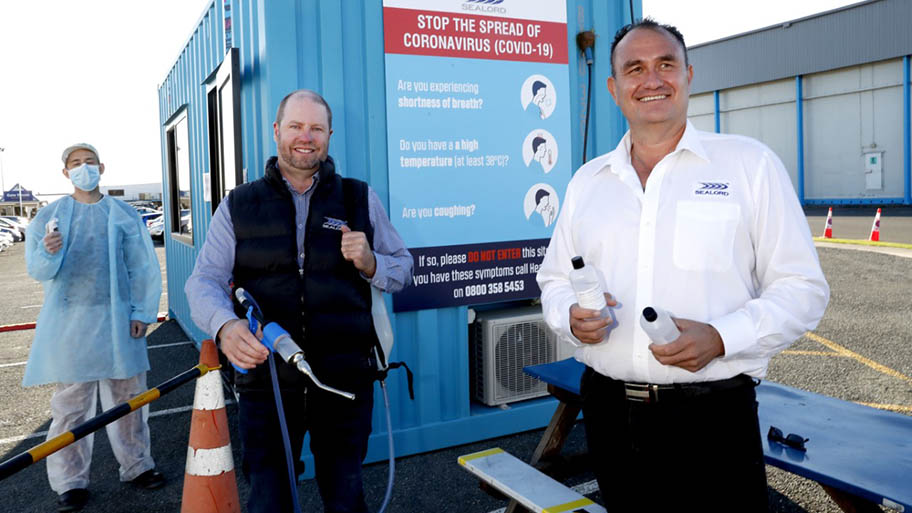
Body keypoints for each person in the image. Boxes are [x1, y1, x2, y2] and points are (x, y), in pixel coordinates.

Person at [536, 19, 829, 512]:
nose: (651, 80)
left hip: (712, 415)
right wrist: (568, 315)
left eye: (665, 64)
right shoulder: (589, 182)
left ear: (689, 74)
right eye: (634, 69)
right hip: (608, 412)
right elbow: (554, 279)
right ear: (613, 88)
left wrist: (721, 336)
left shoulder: (748, 166)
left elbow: (802, 288)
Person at [185, 89, 413, 513]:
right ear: (277, 131)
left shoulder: (359, 198)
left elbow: (402, 268)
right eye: (295, 126)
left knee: (345, 496)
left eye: (316, 128)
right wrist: (225, 325)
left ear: (329, 135)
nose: (305, 137)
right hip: (267, 379)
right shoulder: (239, 204)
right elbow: (203, 282)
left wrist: (370, 262)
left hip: (344, 379)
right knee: (270, 497)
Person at [24, 143, 165, 512]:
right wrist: (49, 251)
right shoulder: (48, 218)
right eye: (76, 163)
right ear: (65, 172)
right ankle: (70, 482)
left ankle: (137, 466)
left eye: (89, 162)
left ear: (101, 167)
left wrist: (142, 312)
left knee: (129, 400)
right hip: (72, 324)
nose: (83, 168)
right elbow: (38, 270)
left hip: (121, 320)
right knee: (70, 407)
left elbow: (143, 267)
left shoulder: (123, 214)